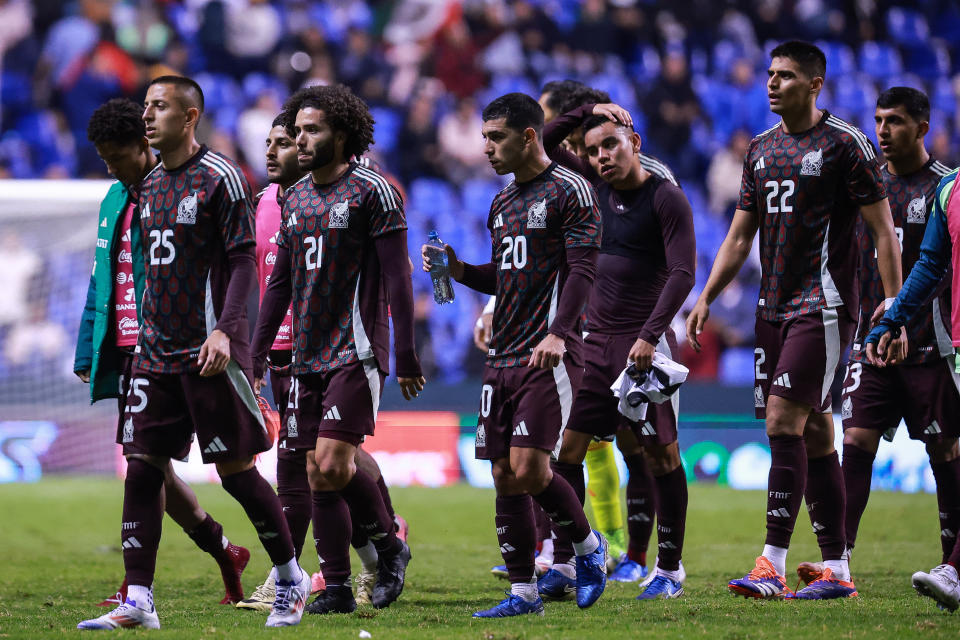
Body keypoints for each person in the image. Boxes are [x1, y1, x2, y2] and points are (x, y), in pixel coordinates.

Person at [78, 76, 309, 631]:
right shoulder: (147, 184)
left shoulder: (222, 178)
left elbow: (241, 260)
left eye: (158, 106)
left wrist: (228, 331)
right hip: (153, 356)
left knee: (235, 472)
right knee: (142, 467)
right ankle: (139, 599)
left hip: (208, 352)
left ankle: (290, 576)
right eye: (146, 106)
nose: (148, 115)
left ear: (190, 116)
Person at [686, 41, 902, 600]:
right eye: (769, 74)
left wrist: (894, 308)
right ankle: (838, 570)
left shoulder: (845, 145)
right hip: (772, 308)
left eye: (785, 75)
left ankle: (771, 562)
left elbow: (882, 232)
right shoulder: (759, 150)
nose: (772, 83)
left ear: (815, 84)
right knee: (814, 431)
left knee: (782, 422)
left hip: (825, 305)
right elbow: (739, 234)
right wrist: (707, 295)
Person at [422, 92, 607, 618]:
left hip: (546, 353)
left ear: (529, 136)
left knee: (530, 466)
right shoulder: (502, 203)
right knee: (503, 473)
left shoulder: (572, 191)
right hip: (501, 354)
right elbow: (503, 278)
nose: (485, 147)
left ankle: (590, 553)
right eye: (483, 136)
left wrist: (560, 333)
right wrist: (458, 270)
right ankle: (524, 593)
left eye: (495, 136)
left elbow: (583, 272)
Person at [251, 84, 423, 616]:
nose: (300, 140)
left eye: (312, 131)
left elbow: (398, 277)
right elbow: (279, 284)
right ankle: (342, 589)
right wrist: (256, 355)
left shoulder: (374, 191)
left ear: (341, 135)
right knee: (313, 471)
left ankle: (389, 546)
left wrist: (407, 354)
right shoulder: (294, 197)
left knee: (330, 463)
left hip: (356, 350)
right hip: (304, 357)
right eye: (297, 131)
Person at [73, 97, 250, 610]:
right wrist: (90, 342)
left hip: (182, 345)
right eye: (103, 157)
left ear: (143, 144)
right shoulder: (113, 199)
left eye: (115, 155)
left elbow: (225, 265)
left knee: (159, 465)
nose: (109, 165)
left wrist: (227, 332)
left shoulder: (174, 190)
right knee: (147, 465)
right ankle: (219, 552)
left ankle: (160, 578)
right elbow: (101, 278)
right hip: (129, 346)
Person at [796, 88, 959, 593]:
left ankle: (949, 561)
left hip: (929, 346)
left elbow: (939, 269)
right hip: (873, 342)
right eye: (879, 121)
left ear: (922, 127)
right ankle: (838, 562)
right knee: (856, 440)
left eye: (895, 121)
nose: (883, 130)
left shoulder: (944, 188)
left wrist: (906, 324)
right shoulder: (866, 187)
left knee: (945, 452)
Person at [541, 100, 695, 600]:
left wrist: (650, 336)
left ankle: (669, 571)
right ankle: (568, 561)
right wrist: (586, 107)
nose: (602, 155)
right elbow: (543, 145)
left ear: (635, 143)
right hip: (593, 345)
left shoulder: (665, 198)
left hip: (643, 348)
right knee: (565, 454)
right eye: (593, 150)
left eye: (611, 144)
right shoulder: (594, 190)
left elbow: (682, 274)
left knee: (662, 457)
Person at [865, 150, 960, 614]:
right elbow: (927, 265)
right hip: (957, 347)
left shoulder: (939, 183)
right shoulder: (951, 190)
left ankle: (954, 567)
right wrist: (891, 320)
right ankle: (954, 569)